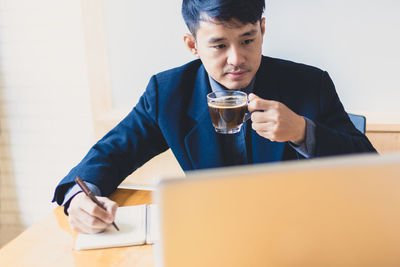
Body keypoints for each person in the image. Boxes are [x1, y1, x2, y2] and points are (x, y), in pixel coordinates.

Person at [52, 0, 376, 233]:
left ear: (263, 29)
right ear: (192, 45)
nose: (237, 59)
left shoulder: (310, 84)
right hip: (213, 235)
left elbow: (370, 171)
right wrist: (78, 196)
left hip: (296, 236)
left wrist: (303, 131)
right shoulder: (168, 93)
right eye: (219, 45)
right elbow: (113, 152)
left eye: (248, 40)